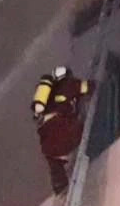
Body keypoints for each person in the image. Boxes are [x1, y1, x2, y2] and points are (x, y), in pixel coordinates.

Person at [31, 66, 92, 195]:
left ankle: (60, 187)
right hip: (66, 131)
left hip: (49, 144)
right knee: (83, 123)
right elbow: (88, 87)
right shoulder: (69, 84)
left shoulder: (47, 99)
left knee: (53, 160)